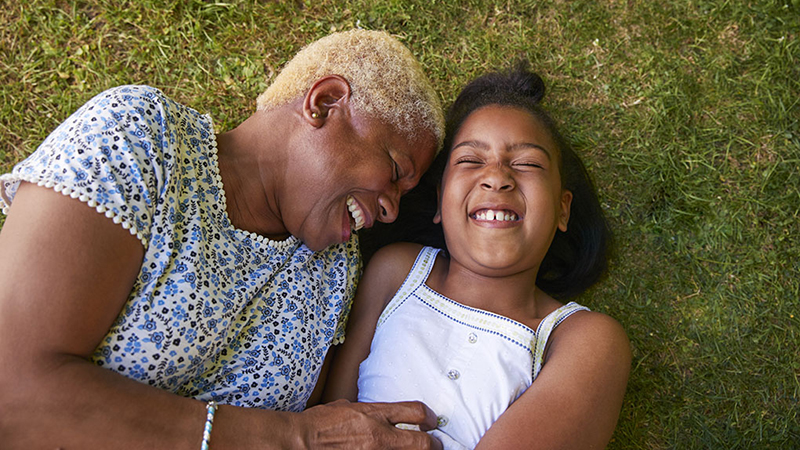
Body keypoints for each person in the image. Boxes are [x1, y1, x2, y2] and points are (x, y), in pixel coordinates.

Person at [0, 29, 447, 449]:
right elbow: (12, 391)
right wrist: (295, 438)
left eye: (402, 197)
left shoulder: (334, 271)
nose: (390, 209)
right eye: (393, 172)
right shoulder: (139, 138)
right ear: (325, 103)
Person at [323, 63, 631, 449]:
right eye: (470, 160)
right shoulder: (396, 271)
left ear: (563, 210)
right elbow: (330, 421)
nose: (497, 177)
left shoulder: (582, 339)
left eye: (527, 164)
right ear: (439, 202)